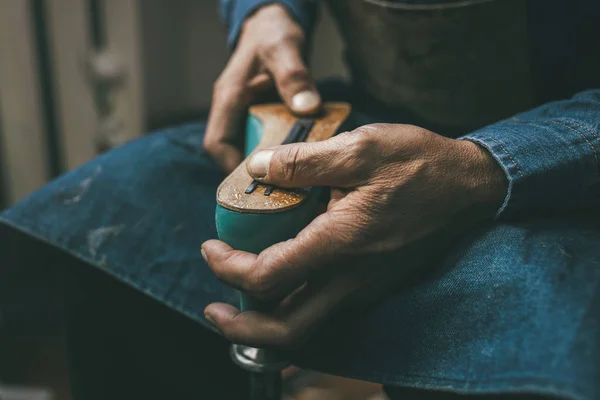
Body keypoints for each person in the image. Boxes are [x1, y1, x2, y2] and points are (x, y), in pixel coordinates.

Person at [1, 0, 600, 399]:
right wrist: (264, 10)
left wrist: (486, 166)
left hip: (566, 158)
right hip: (373, 121)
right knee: (111, 220)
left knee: (526, 342)